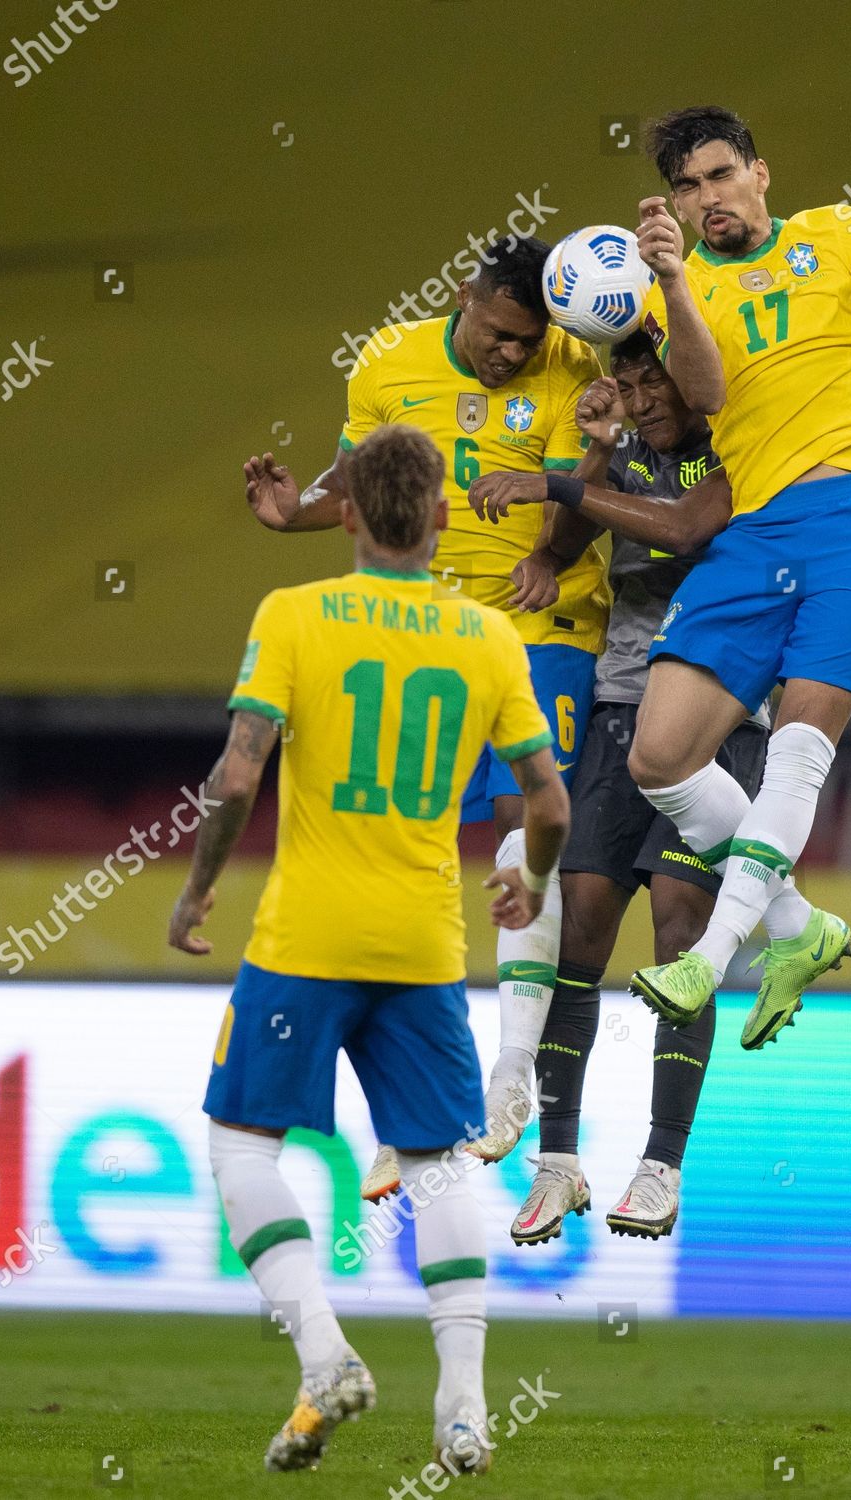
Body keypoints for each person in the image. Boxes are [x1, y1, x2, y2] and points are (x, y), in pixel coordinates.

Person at [475, 104, 851, 1048]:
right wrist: (673, 284)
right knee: (656, 756)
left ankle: (711, 952)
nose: (706, 199)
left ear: (760, 173)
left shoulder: (840, 231)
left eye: (720, 176)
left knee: (799, 743)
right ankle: (796, 927)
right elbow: (707, 392)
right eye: (687, 188)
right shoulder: (673, 292)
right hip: (757, 528)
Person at [169, 425, 570, 1474]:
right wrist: (524, 877)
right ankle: (465, 1410)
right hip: (423, 941)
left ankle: (321, 1354)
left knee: (242, 1147)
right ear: (440, 514)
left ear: (343, 509)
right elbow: (548, 798)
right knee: (440, 1170)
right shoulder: (487, 637)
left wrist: (199, 889)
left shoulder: (293, 615)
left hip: (305, 933)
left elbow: (236, 778)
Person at [243, 237, 608, 1188]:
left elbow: (578, 493)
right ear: (465, 299)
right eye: (498, 334)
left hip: (543, 625)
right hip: (426, 635)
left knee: (522, 828)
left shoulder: (572, 365)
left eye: (527, 342)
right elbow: (365, 485)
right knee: (406, 846)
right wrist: (296, 514)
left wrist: (554, 553)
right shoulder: (385, 361)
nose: (510, 355)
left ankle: (509, 1078)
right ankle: (409, 1111)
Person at [476, 332, 766, 1245]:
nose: (640, 399)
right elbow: (561, 550)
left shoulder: (741, 450)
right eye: (630, 382)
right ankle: (557, 1163)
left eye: (655, 384)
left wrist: (557, 480)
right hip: (617, 711)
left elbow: (685, 530)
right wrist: (594, 453)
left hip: (719, 717)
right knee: (579, 928)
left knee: (679, 931)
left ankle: (660, 1165)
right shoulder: (625, 451)